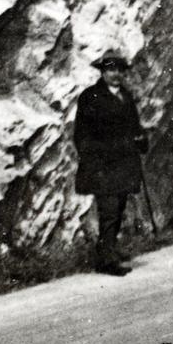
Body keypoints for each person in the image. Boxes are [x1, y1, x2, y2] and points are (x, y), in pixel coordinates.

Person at [72, 50, 148, 276]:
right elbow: (81, 134)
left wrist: (141, 139)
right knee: (109, 211)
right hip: (102, 166)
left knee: (118, 208)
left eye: (120, 70)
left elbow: (135, 126)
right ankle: (107, 260)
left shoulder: (126, 96)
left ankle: (107, 251)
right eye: (111, 69)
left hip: (124, 165)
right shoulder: (90, 96)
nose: (116, 74)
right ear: (103, 72)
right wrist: (92, 159)